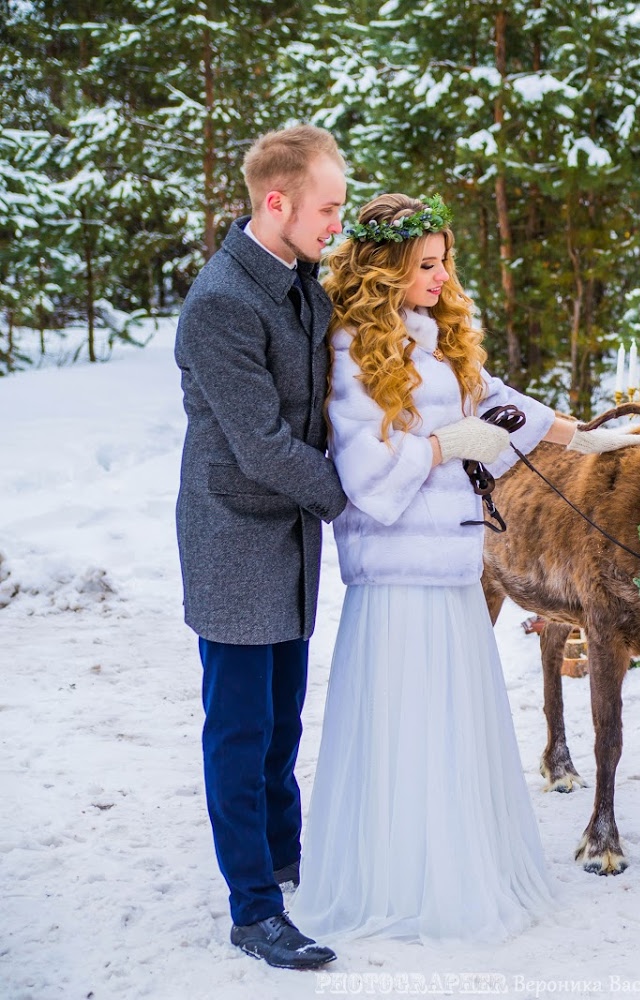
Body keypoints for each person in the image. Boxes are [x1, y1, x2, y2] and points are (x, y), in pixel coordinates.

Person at [289, 194, 640, 943]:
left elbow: (508, 410)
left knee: (454, 730)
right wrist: (452, 446)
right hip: (396, 580)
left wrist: (590, 440)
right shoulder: (354, 350)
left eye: (445, 261)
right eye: (425, 264)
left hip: (452, 568)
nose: (441, 276)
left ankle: (462, 866)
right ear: (385, 268)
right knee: (406, 730)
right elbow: (370, 479)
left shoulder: (440, 342)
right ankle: (399, 881)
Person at [175, 124, 348, 969]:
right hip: (236, 540)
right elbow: (264, 446)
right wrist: (362, 498)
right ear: (276, 202)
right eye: (327, 208)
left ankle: (285, 861)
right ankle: (253, 909)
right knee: (239, 732)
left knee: (282, 723)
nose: (335, 225)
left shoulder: (303, 284)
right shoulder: (220, 304)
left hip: (289, 541)